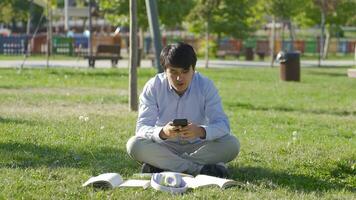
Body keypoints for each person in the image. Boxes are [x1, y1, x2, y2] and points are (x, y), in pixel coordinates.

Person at [126, 42, 240, 178]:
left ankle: (163, 167)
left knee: (232, 144)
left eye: (185, 72)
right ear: (165, 70)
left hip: (198, 146)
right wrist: (162, 132)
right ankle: (199, 169)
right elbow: (142, 128)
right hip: (164, 146)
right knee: (134, 144)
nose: (179, 78)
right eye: (173, 72)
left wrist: (200, 131)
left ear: (193, 69)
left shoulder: (206, 85)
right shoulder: (153, 86)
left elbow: (223, 125)